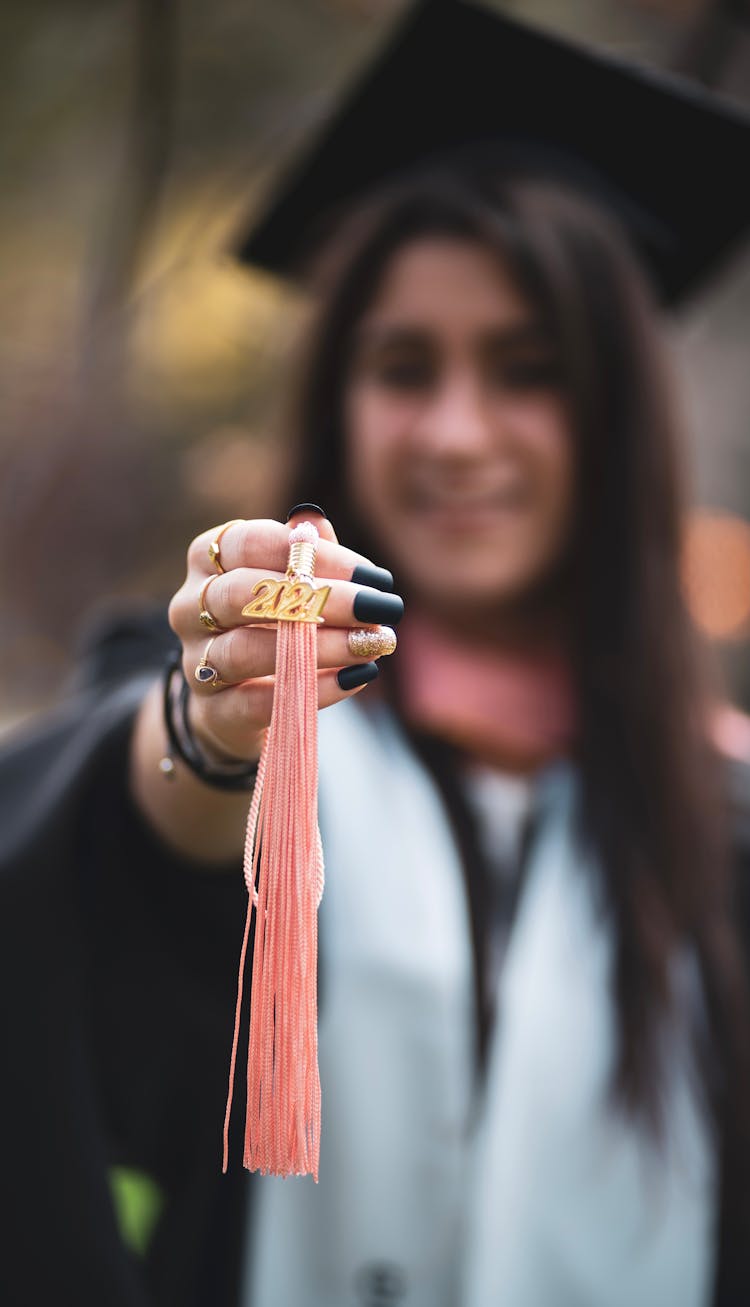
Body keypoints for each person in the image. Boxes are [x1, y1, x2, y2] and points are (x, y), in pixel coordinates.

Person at [2, 2, 750, 1305]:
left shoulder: (718, 815)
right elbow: (120, 828)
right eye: (404, 368)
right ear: (339, 401)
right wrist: (215, 717)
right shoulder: (263, 717)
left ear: (614, 418)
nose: (457, 433)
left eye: (526, 371)